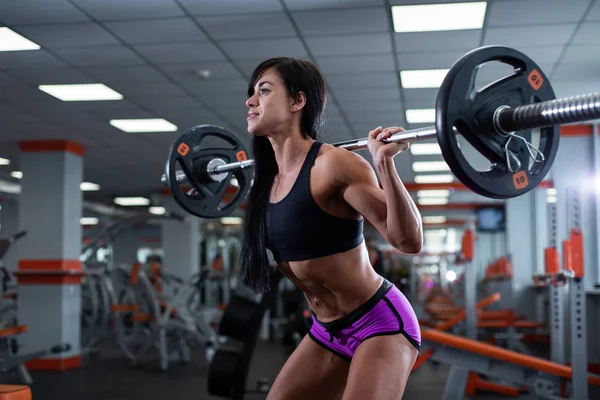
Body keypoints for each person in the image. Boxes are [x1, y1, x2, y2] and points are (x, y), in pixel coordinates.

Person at [240, 57, 423, 400]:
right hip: (326, 329)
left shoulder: (332, 166)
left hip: (378, 322)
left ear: (297, 101)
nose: (251, 101)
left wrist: (383, 163)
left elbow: (407, 240)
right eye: (251, 93)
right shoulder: (266, 183)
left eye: (264, 91)